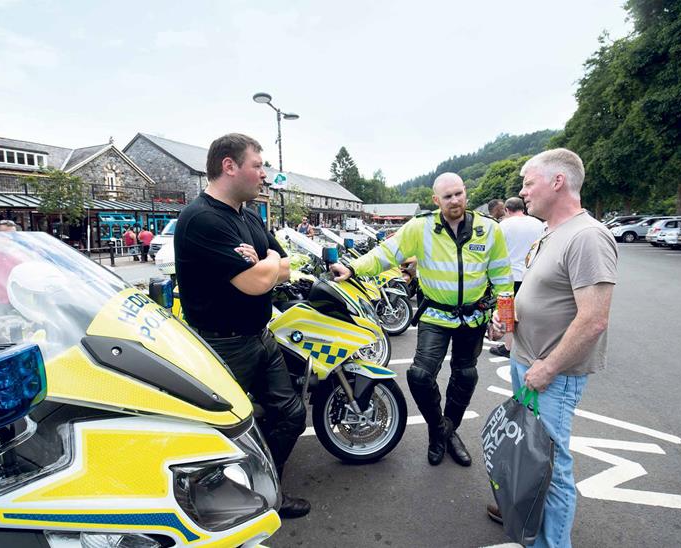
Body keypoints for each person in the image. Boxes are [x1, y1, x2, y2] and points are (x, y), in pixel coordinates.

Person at [330, 172, 513, 467]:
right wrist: (352, 268)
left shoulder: (489, 230)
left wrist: (504, 320)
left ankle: (449, 430)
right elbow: (385, 254)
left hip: (473, 316)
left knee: (465, 375)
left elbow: (504, 279)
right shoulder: (421, 227)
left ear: (466, 193)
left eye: (459, 193)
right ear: (435, 200)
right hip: (436, 315)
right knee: (419, 375)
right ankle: (437, 429)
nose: (455, 200)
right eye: (448, 196)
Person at [486, 149, 618, 548]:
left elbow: (594, 319)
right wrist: (508, 326)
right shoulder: (550, 232)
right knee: (530, 458)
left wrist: (548, 367)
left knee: (553, 469)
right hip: (527, 363)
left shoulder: (588, 236)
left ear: (557, 181)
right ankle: (527, 516)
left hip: (551, 377)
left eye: (529, 182)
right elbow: (546, 298)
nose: (522, 192)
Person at [174, 133, 310, 519]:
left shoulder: (246, 215)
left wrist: (264, 260)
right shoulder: (202, 218)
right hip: (224, 346)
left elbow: (284, 265)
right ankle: (216, 509)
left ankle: (270, 494)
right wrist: (265, 267)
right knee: (221, 433)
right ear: (229, 166)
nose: (264, 174)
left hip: (261, 337)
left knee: (291, 415)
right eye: (257, 165)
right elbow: (256, 281)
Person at [489, 196, 545, 358]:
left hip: (509, 276)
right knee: (531, 311)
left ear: (506, 210)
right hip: (532, 274)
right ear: (523, 208)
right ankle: (534, 346)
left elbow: (495, 251)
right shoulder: (538, 224)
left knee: (508, 312)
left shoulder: (502, 225)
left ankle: (508, 347)